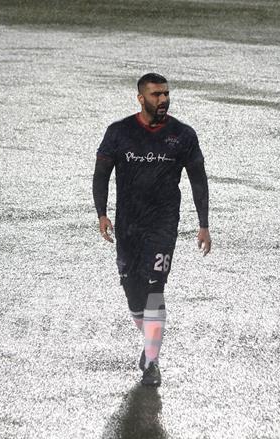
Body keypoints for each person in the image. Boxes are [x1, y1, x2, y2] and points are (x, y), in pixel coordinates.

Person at [93, 73, 211, 387]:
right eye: (156, 95)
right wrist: (102, 214)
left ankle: (151, 361)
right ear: (141, 98)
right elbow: (101, 174)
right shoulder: (118, 133)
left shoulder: (183, 135)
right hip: (127, 224)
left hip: (163, 224)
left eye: (166, 94)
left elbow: (199, 180)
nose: (163, 100)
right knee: (133, 294)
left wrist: (204, 224)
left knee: (155, 290)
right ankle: (150, 343)